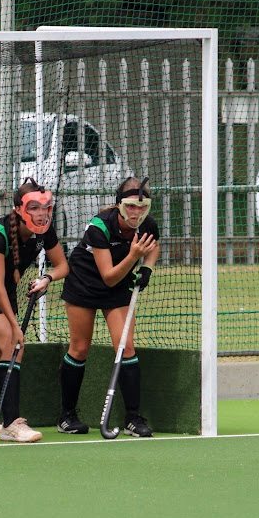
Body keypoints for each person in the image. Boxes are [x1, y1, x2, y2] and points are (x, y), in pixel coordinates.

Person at [0, 178, 69, 442]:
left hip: (5, 292)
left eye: (46, 207)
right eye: (34, 207)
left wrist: (47, 279)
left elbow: (63, 266)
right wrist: (15, 326)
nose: (41, 214)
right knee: (13, 343)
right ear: (19, 209)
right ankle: (11, 423)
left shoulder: (45, 230)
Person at [58, 176, 159, 437]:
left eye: (142, 206)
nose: (137, 213)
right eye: (131, 206)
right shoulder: (99, 227)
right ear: (118, 205)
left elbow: (153, 246)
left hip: (119, 284)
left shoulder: (148, 224)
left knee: (125, 346)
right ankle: (67, 416)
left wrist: (147, 267)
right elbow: (109, 276)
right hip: (85, 282)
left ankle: (133, 419)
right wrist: (134, 256)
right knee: (80, 348)